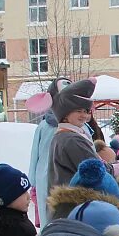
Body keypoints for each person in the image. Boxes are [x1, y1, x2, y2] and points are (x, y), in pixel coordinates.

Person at [48, 79, 119, 190]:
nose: (84, 115)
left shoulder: (63, 136)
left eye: (85, 111)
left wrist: (118, 164)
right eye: (78, 111)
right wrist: (115, 167)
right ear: (65, 113)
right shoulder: (71, 139)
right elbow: (93, 169)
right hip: (77, 197)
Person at [28, 77, 70, 227]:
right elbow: (35, 153)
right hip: (55, 175)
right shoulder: (45, 126)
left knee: (53, 213)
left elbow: (34, 155)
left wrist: (32, 178)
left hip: (46, 175)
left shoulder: (44, 126)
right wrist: (33, 178)